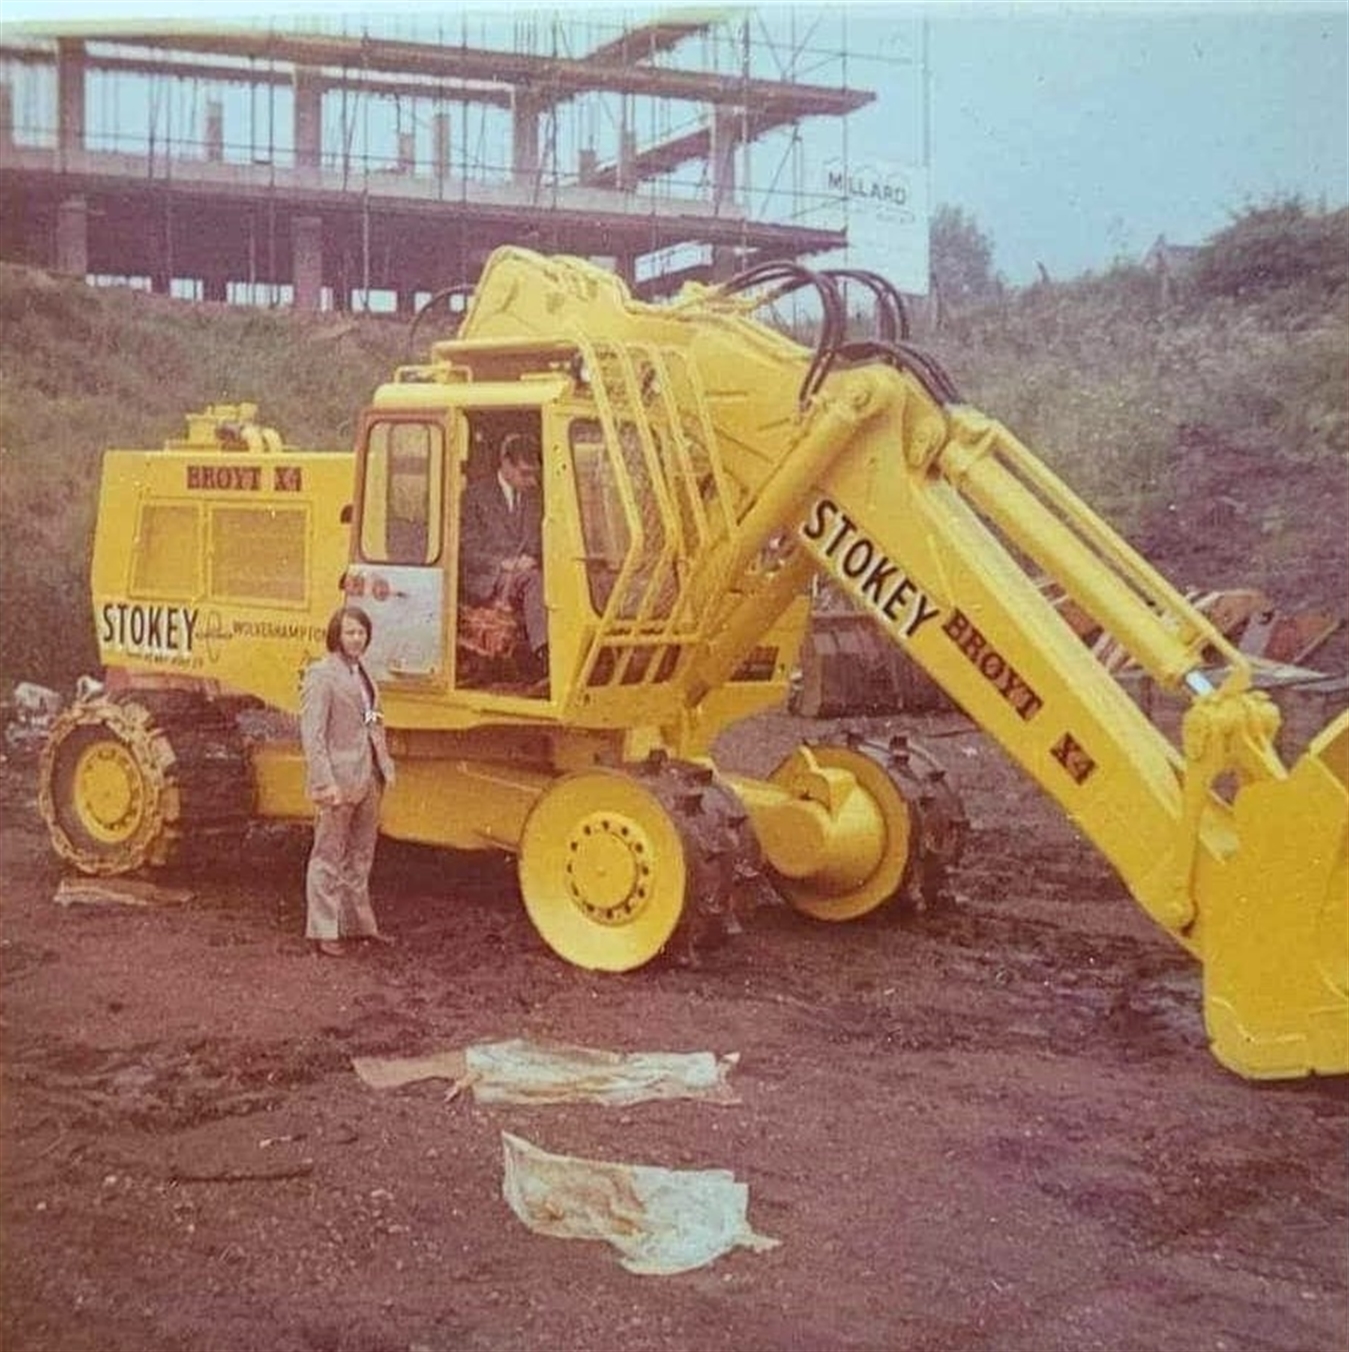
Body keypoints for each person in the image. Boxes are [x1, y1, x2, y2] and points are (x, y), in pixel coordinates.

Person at [300, 605, 397, 957]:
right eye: (350, 632)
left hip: (368, 776)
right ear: (336, 636)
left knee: (360, 855)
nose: (356, 638)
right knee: (328, 854)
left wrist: (383, 763)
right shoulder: (321, 675)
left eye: (361, 632)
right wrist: (325, 783)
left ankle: (358, 925)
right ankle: (324, 931)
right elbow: (313, 736)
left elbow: (372, 719)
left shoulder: (365, 673)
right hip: (338, 780)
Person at [459, 431, 548, 676]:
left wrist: (532, 557)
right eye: (525, 473)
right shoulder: (475, 497)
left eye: (534, 474)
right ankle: (544, 652)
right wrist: (503, 563)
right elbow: (467, 547)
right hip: (487, 576)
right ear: (506, 464)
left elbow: (540, 539)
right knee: (535, 581)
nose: (530, 480)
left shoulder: (534, 498)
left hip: (523, 572)